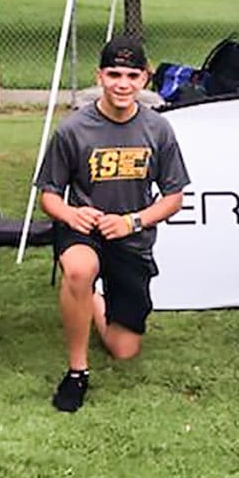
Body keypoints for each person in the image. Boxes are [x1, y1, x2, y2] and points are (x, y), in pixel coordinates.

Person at [36, 36, 190, 413]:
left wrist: (131, 222)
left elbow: (173, 198)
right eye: (114, 74)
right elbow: (49, 195)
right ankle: (77, 371)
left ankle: (92, 300)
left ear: (145, 79)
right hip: (82, 230)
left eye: (132, 75)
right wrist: (71, 215)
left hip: (130, 236)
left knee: (124, 350)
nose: (123, 83)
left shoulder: (158, 129)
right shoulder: (72, 129)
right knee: (78, 269)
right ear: (99, 76)